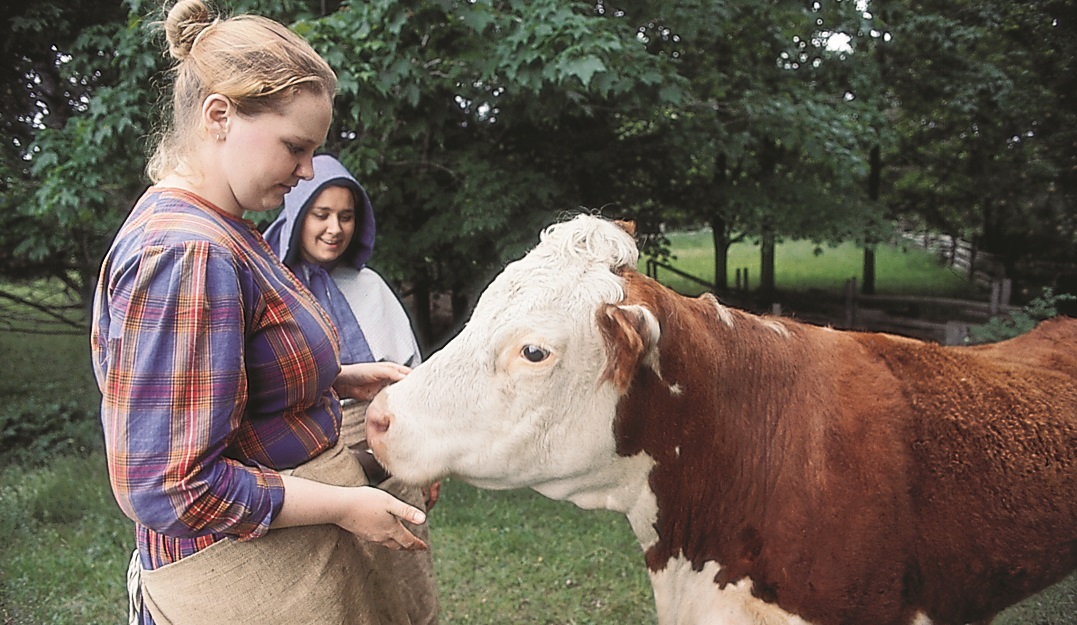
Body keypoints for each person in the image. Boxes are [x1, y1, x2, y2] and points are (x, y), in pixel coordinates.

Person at [90, 2, 427, 624]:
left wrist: (337, 377)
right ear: (219, 116)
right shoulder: (186, 253)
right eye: (296, 147)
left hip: (287, 556)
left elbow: (230, 378)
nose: (306, 172)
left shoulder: (225, 227)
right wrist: (340, 506)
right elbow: (168, 485)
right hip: (241, 571)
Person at [264, 153, 440, 624]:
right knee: (335, 579)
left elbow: (410, 374)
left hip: (386, 439)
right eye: (321, 215)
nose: (334, 228)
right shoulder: (268, 288)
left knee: (403, 570)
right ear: (297, 214)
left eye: (346, 216)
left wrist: (430, 458)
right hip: (307, 450)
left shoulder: (370, 287)